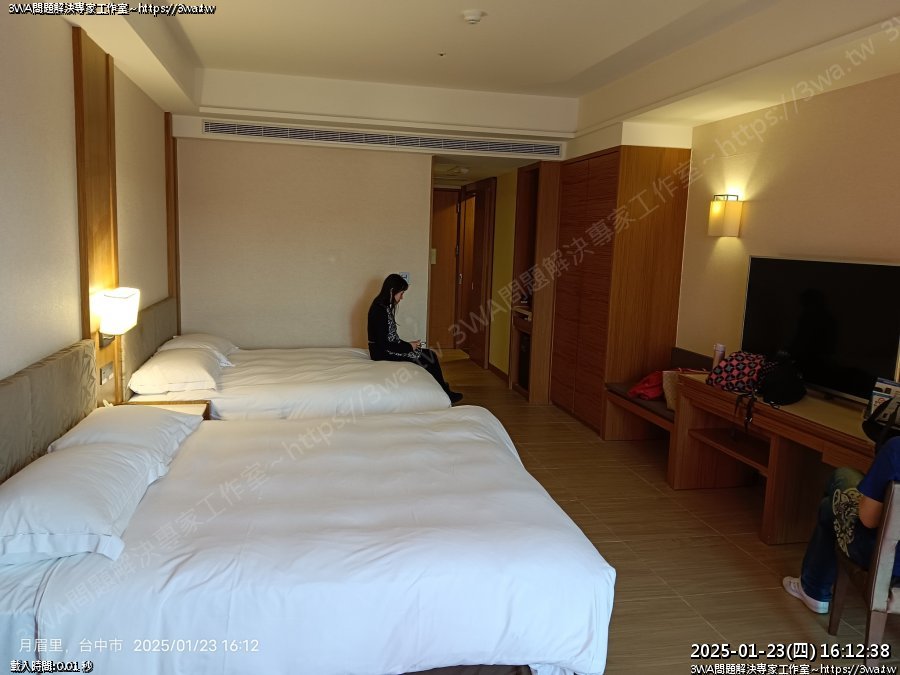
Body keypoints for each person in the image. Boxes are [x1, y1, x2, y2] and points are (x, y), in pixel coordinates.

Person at [783, 436, 900, 613]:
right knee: (832, 504)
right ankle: (812, 587)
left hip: (884, 559)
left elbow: (869, 520)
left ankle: (813, 589)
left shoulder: (896, 448)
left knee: (840, 483)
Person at [367, 273, 463, 404]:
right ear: (392, 291)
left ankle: (442, 389)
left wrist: (409, 345)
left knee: (430, 355)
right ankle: (444, 393)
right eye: (401, 293)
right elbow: (385, 343)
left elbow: (389, 339)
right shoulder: (379, 310)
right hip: (382, 353)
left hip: (385, 349)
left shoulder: (382, 306)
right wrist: (408, 346)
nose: (402, 297)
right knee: (429, 356)